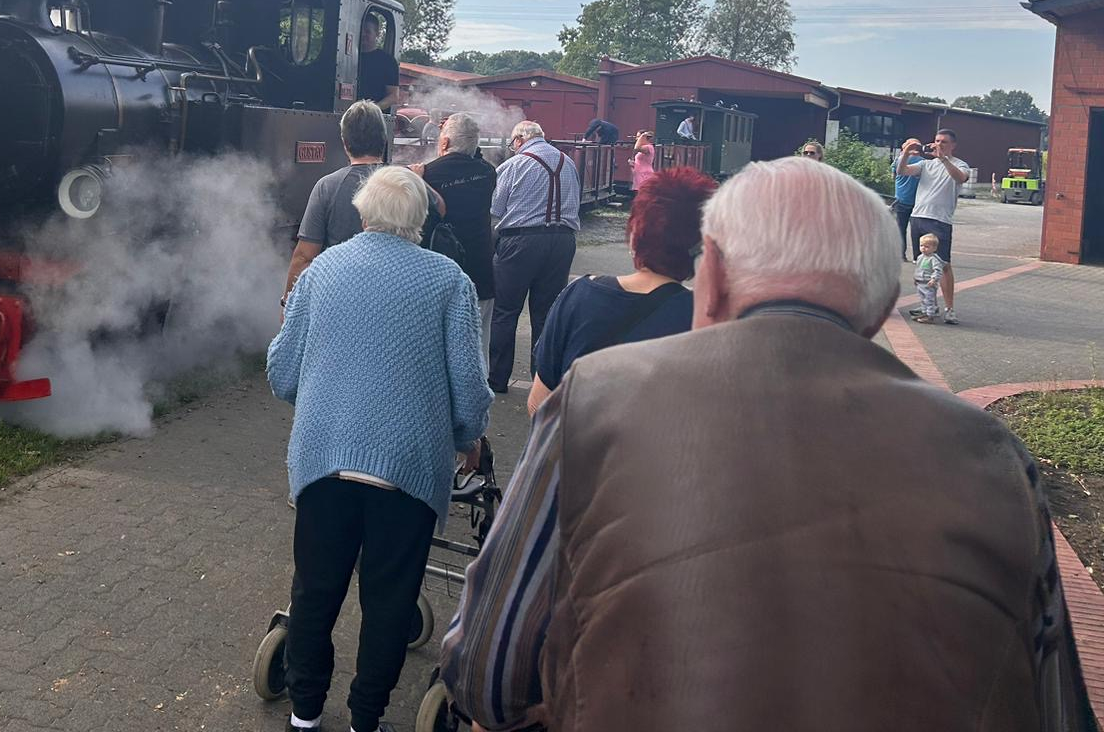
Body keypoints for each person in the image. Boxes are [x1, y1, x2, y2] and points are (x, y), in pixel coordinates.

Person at [441, 156, 1098, 732]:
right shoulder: (994, 456)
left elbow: (487, 677)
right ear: (880, 306)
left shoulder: (593, 398)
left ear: (716, 275)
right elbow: (1058, 708)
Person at [269, 167, 492, 732]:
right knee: (389, 602)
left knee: (315, 591)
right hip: (408, 470)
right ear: (418, 220)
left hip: (324, 461)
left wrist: (326, 388)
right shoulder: (450, 281)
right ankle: (365, 719)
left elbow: (281, 374)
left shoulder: (321, 271)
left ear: (364, 213)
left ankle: (304, 713)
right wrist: (467, 439)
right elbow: (468, 388)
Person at [526, 167, 716, 415]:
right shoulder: (705, 320)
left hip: (577, 450)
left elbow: (538, 405)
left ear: (636, 231)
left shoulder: (578, 297)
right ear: (702, 244)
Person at [487, 121, 579, 395]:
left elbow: (496, 207)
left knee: (505, 311)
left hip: (521, 241)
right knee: (546, 313)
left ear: (518, 139)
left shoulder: (514, 165)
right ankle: (542, 379)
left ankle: (497, 379)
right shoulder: (568, 163)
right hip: (563, 241)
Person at [282, 101, 387, 304]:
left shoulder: (327, 186)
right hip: (393, 295)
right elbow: (441, 208)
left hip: (340, 296)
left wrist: (288, 302)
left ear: (345, 142)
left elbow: (304, 256)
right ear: (383, 139)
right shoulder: (407, 182)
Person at [411, 113, 496, 331]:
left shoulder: (428, 174)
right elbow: (476, 159)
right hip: (481, 277)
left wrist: (417, 180)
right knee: (479, 350)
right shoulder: (488, 173)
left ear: (445, 141)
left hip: (438, 277)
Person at [900, 127, 970, 325]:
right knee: (922, 264)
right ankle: (927, 305)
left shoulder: (959, 164)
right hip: (918, 216)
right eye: (937, 141)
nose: (939, 145)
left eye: (944, 142)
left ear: (953, 146)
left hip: (940, 220)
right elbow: (902, 171)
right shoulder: (925, 164)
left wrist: (943, 159)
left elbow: (960, 177)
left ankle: (949, 309)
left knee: (943, 265)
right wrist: (906, 153)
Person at [355, 12, 400, 111]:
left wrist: (372, 110)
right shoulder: (349, 56)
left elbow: (393, 95)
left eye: (367, 31)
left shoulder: (388, 62)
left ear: (377, 34)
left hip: (375, 119)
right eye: (360, 30)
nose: (363, 34)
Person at [893, 137, 925, 261]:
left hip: (900, 198)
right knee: (917, 230)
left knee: (901, 228)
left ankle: (901, 254)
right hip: (917, 200)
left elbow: (894, 175)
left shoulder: (898, 160)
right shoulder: (923, 162)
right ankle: (918, 256)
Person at [913, 232, 946, 324]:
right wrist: (915, 278)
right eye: (921, 246)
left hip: (928, 282)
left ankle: (930, 315)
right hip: (920, 282)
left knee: (929, 300)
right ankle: (924, 312)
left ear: (934, 248)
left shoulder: (934, 259)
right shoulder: (920, 257)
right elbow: (918, 268)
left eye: (927, 247)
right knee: (922, 299)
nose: (923, 248)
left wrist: (934, 279)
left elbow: (938, 270)